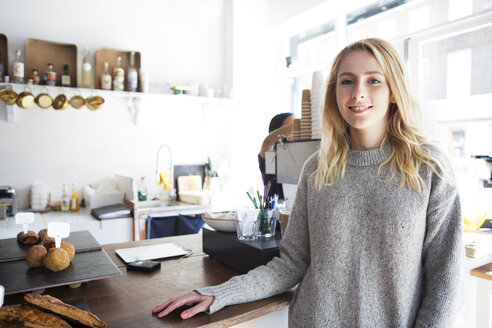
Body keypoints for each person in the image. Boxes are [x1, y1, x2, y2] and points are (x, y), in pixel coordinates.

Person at [152, 38, 463, 327]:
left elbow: (445, 283)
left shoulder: (429, 169)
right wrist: (221, 293)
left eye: (374, 80)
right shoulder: (317, 168)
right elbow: (290, 264)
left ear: (394, 91)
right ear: (334, 92)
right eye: (347, 81)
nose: (358, 93)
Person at [258, 112, 294, 201]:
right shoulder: (271, 157)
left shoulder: (299, 157)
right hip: (273, 212)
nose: (295, 131)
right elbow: (267, 142)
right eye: (290, 128)